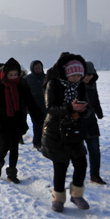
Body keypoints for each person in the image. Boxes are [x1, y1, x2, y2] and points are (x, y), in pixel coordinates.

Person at [0, 58, 44, 183]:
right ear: (6, 73)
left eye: (15, 75)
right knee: (5, 143)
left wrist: (40, 119)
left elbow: (31, 103)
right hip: (2, 120)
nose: (13, 77)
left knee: (14, 147)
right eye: (10, 75)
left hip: (17, 120)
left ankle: (12, 173)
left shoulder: (22, 84)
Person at [43, 54, 90, 212]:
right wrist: (71, 108)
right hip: (56, 132)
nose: (77, 78)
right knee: (61, 166)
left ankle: (76, 194)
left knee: (81, 163)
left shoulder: (81, 86)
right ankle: (58, 198)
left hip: (74, 131)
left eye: (79, 75)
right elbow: (50, 108)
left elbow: (85, 106)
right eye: (74, 75)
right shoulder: (53, 85)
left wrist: (83, 111)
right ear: (66, 74)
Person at [83, 61, 106, 185]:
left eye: (91, 75)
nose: (88, 77)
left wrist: (99, 112)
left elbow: (95, 99)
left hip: (91, 121)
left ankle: (95, 175)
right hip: (78, 123)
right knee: (77, 151)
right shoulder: (75, 85)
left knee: (95, 150)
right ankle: (77, 173)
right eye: (86, 74)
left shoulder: (92, 84)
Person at [24, 60, 46, 150]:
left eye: (39, 68)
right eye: (36, 68)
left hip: (45, 105)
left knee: (46, 125)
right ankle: (37, 143)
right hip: (34, 106)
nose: (38, 69)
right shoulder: (27, 79)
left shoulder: (46, 78)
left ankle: (45, 142)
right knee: (37, 125)